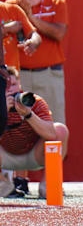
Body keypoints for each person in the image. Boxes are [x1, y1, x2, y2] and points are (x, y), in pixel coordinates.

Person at [6, 0, 67, 124]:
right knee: (19, 129)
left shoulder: (57, 3)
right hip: (19, 77)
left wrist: (29, 17)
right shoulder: (10, 5)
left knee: (54, 126)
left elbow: (59, 33)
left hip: (49, 74)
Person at [0, 67, 69, 198]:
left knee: (60, 129)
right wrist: (3, 111)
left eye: (14, 84)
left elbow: (52, 134)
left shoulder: (35, 102)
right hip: (5, 156)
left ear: (19, 84)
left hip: (34, 154)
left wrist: (28, 114)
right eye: (6, 85)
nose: (10, 89)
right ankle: (4, 184)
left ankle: (49, 185)